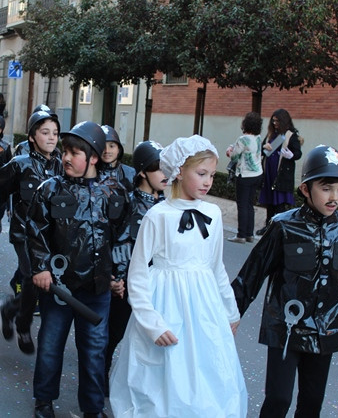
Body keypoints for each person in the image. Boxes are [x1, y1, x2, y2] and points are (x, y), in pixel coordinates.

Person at [109, 135, 247, 418]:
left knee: (207, 377)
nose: (208, 181)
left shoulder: (213, 213)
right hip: (166, 305)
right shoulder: (158, 215)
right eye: (201, 173)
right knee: (164, 379)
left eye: (211, 174)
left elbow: (215, 266)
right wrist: (151, 324)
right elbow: (137, 275)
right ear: (179, 171)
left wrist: (230, 311)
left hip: (204, 310)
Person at [231, 145, 338, 418]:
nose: (333, 197)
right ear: (305, 189)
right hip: (285, 328)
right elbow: (252, 274)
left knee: (312, 403)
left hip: (326, 330)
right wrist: (230, 314)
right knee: (278, 400)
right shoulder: (283, 225)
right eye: (326, 188)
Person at [26, 121, 127, 418]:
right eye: (65, 151)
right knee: (50, 346)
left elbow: (123, 236)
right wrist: (42, 267)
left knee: (95, 350)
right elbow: (36, 230)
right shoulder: (50, 189)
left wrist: (119, 274)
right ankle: (44, 401)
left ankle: (93, 409)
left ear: (93, 157)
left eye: (74, 152)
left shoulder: (114, 192)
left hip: (97, 289)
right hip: (59, 288)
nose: (66, 157)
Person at [0, 110, 62, 354]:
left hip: (52, 236)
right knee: (33, 279)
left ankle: (11, 309)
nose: (51, 138)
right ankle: (23, 325)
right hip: (24, 234)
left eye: (55, 133)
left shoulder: (63, 165)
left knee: (43, 285)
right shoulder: (20, 165)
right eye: (45, 133)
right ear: (32, 136)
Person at [104, 140, 166, 396]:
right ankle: (99, 383)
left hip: (159, 285)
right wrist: (117, 278)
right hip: (127, 286)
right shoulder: (126, 202)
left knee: (150, 342)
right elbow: (118, 243)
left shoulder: (168, 205)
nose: (165, 175)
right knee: (112, 337)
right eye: (158, 169)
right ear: (142, 171)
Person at [256, 109, 303, 235]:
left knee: (279, 203)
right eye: (273, 120)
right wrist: (263, 147)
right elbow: (261, 149)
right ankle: (268, 226)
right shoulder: (272, 134)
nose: (275, 123)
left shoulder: (290, 135)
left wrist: (291, 155)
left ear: (283, 121)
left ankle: (279, 230)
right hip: (269, 172)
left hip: (281, 174)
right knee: (269, 202)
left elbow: (298, 153)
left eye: (277, 121)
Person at [226, 111, 264, 243]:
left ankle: (241, 235)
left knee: (242, 205)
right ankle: (249, 234)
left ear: (245, 124)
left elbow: (234, 156)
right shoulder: (258, 138)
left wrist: (229, 150)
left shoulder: (243, 139)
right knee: (249, 204)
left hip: (245, 175)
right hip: (257, 173)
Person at [99, 125, 136, 192]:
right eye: (102, 146)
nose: (107, 150)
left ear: (119, 149)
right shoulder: (91, 173)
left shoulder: (131, 173)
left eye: (111, 146)